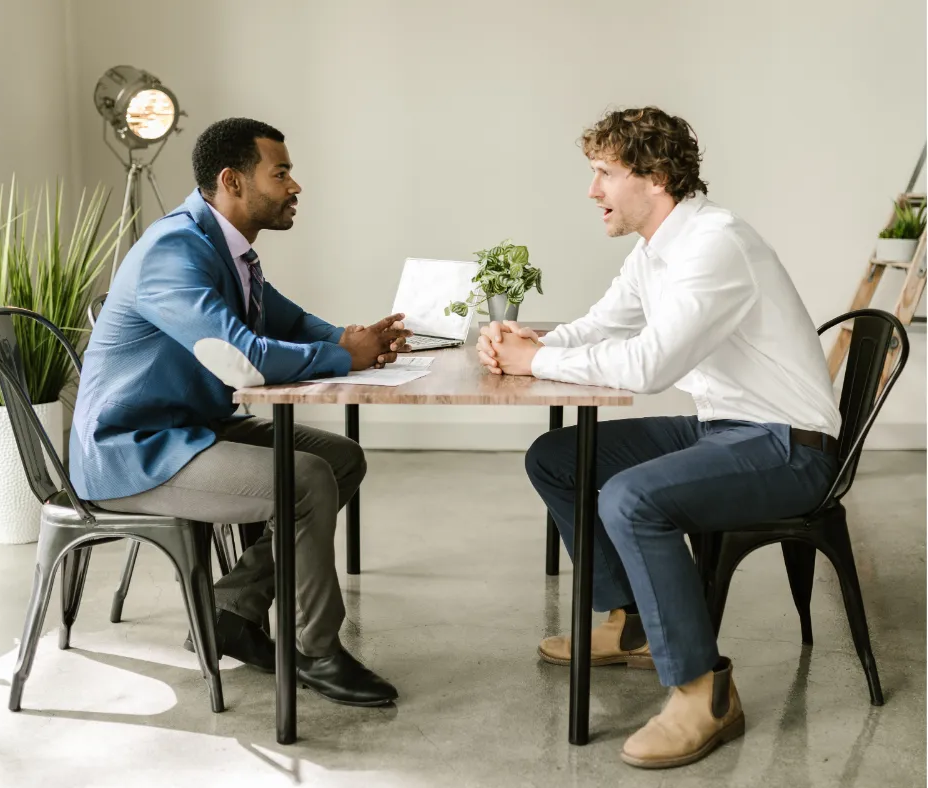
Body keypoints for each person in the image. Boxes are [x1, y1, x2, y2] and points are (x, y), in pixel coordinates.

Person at [477, 106, 840, 768]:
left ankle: (706, 692)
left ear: (656, 176)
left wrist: (536, 363)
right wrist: (535, 342)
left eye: (604, 174)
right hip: (723, 427)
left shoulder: (714, 244)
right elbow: (604, 323)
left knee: (630, 498)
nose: (593, 191)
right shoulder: (659, 249)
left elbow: (648, 366)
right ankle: (633, 623)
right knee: (558, 458)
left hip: (787, 447)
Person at [70, 117, 412, 707]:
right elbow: (243, 361)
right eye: (280, 173)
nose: (295, 186)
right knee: (302, 479)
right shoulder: (175, 250)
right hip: (135, 448)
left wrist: (356, 340)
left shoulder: (229, 248)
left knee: (340, 457)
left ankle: (233, 609)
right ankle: (317, 651)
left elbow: (290, 321)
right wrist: (341, 355)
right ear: (232, 180)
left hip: (193, 430)